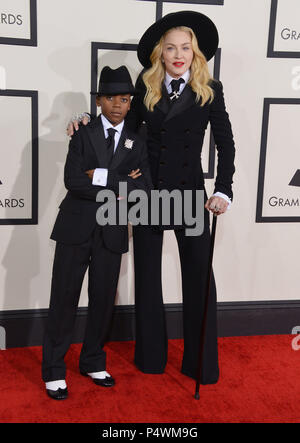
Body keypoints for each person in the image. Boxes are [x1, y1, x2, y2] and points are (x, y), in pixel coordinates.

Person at [68, 11, 235, 384]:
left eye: (185, 48)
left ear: (196, 53)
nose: (178, 54)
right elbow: (119, 121)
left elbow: (225, 142)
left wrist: (224, 188)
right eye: (171, 48)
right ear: (160, 53)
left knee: (199, 279)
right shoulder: (145, 87)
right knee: (147, 278)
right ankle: (151, 359)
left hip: (191, 196)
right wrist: (84, 117)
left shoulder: (212, 89)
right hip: (148, 194)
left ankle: (201, 365)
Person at [42, 65, 152, 400]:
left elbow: (143, 187)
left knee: (103, 300)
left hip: (113, 230)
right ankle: (53, 370)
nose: (117, 104)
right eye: (110, 98)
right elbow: (73, 181)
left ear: (130, 102)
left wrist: (101, 177)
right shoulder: (82, 133)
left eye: (124, 98)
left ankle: (92, 360)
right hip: (75, 227)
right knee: (64, 298)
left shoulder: (137, 139)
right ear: (99, 101)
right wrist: (122, 182)